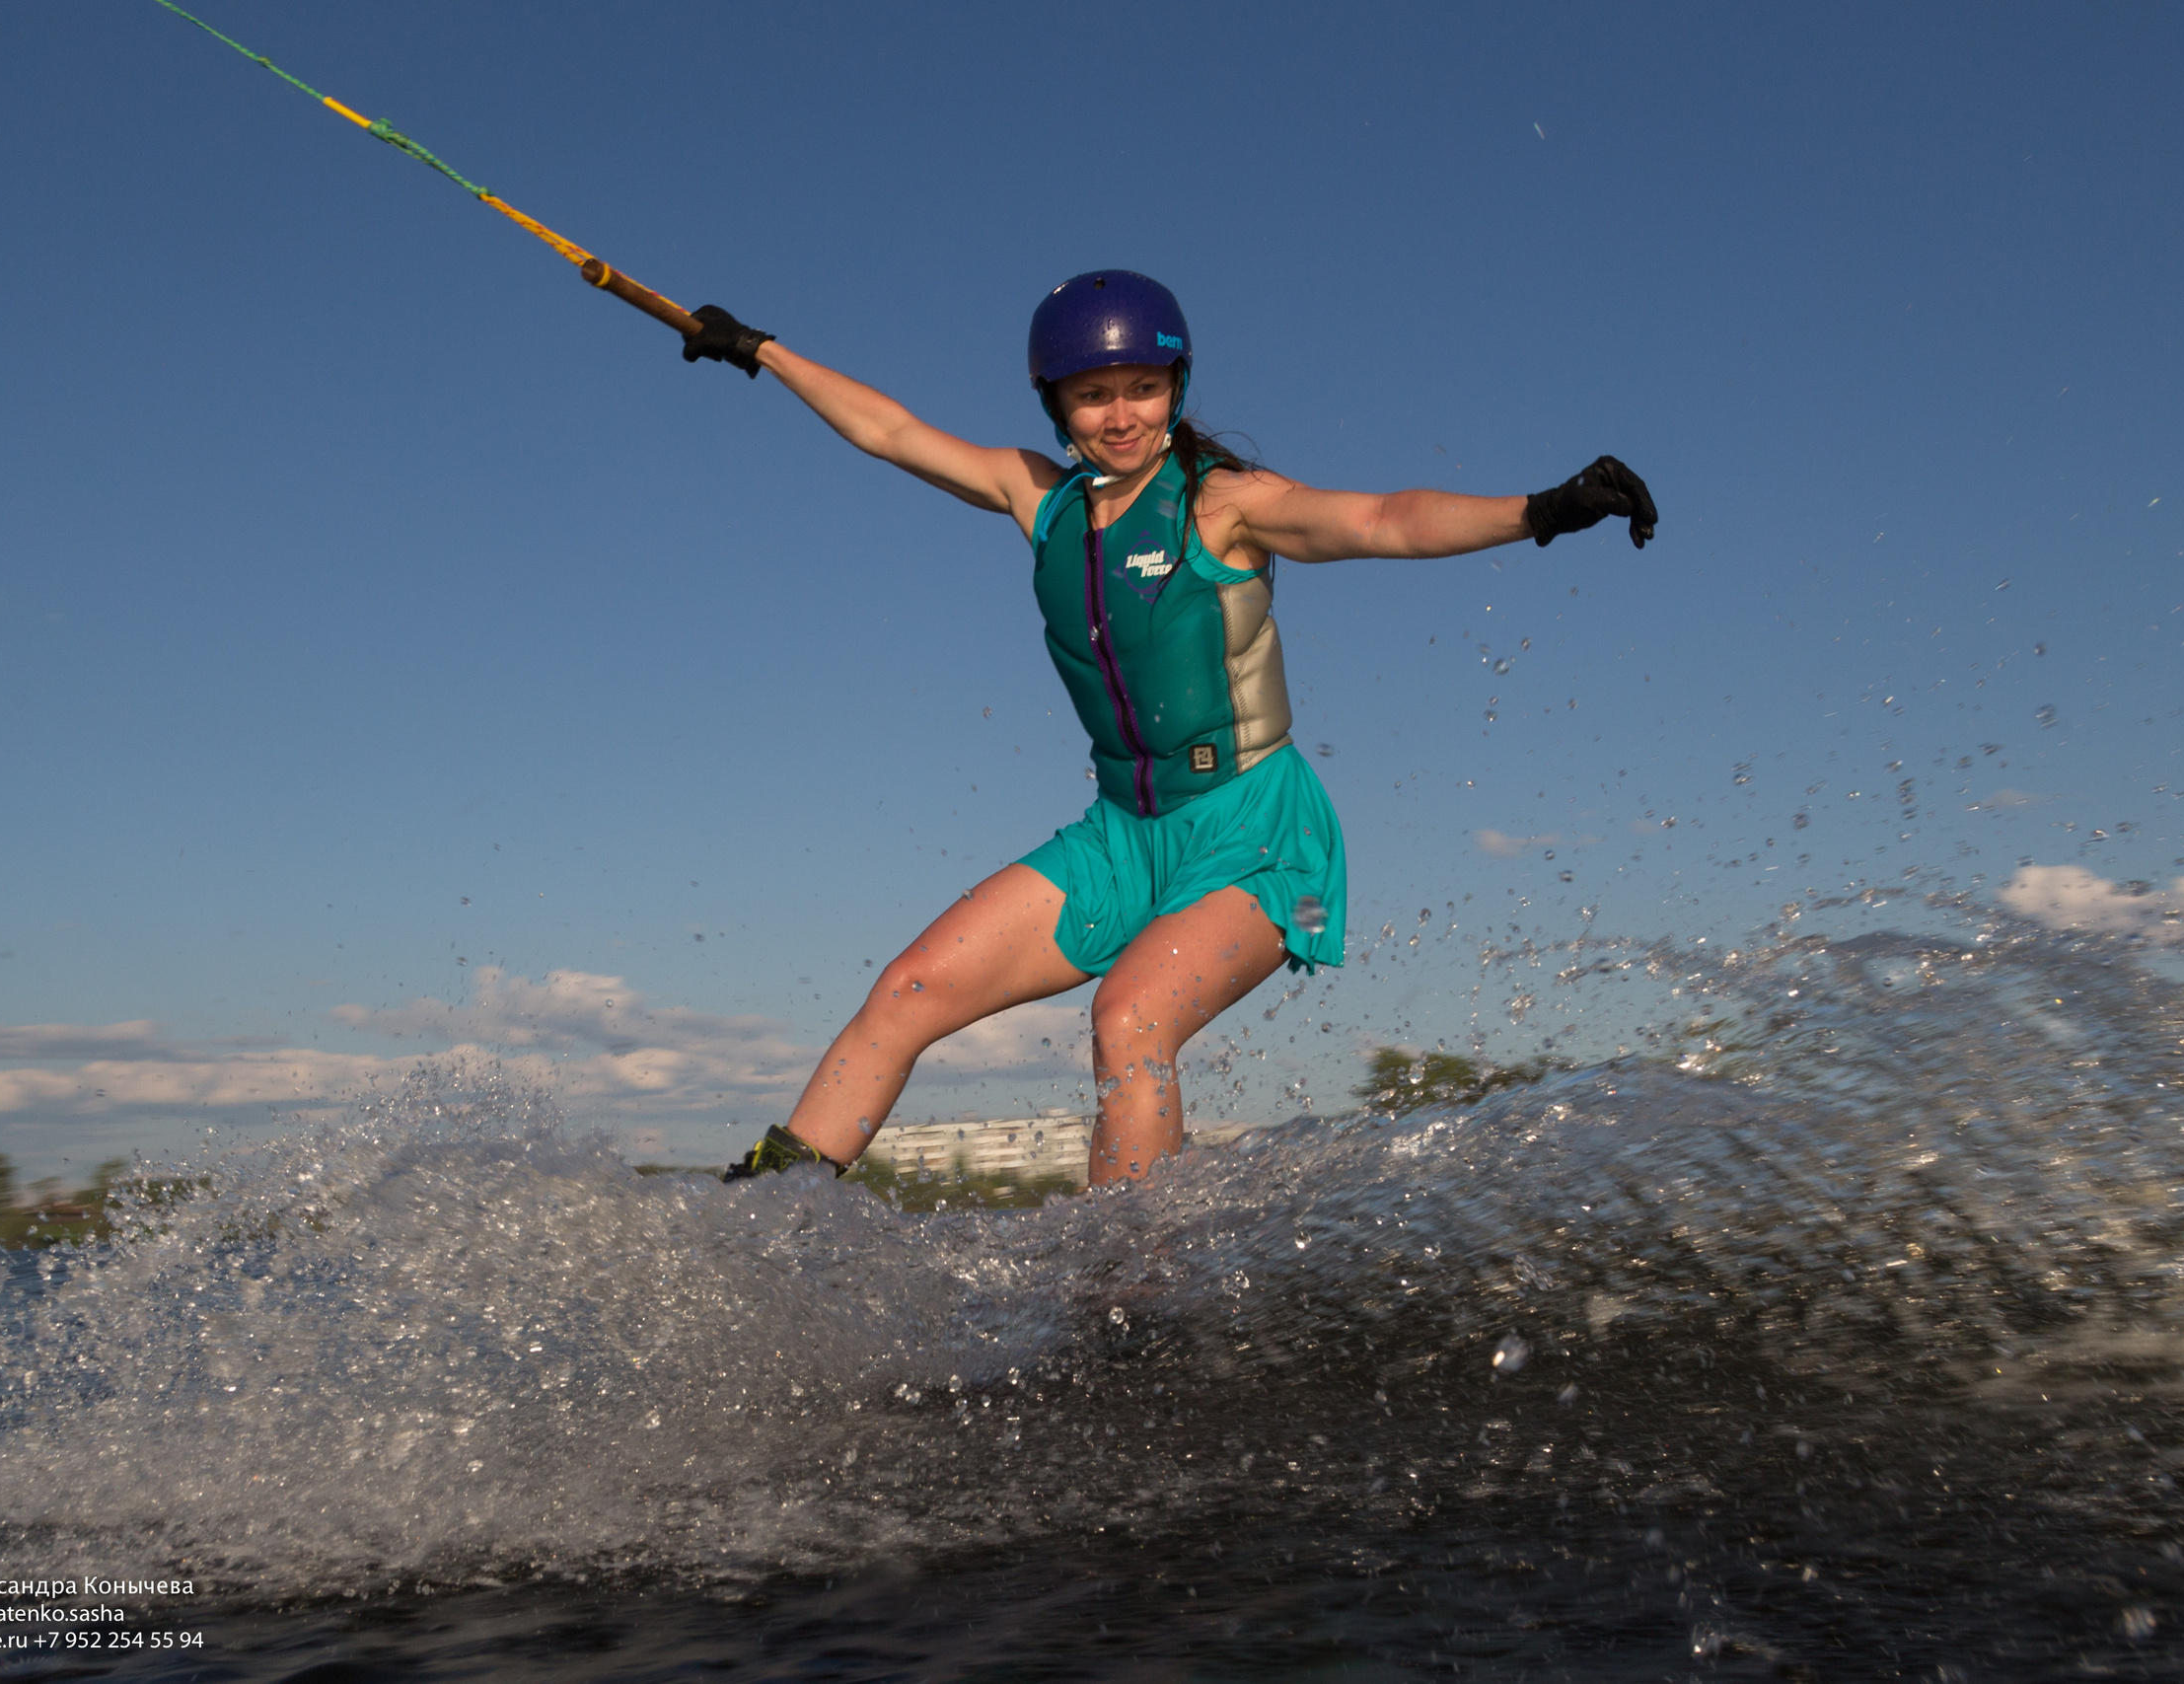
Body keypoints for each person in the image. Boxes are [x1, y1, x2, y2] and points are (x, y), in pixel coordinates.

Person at [695, 271, 1654, 1188]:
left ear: (1176, 386)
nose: (1120, 416)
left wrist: (1538, 512)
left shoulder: (1224, 503)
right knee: (907, 989)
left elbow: (1381, 518)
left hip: (1258, 835)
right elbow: (890, 429)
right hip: (1120, 838)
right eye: (1093, 396)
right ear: (1054, 406)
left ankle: (1131, 1297)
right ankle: (771, 1211)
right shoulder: (1038, 499)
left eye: (1143, 389)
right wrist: (761, 350)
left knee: (1129, 1019)